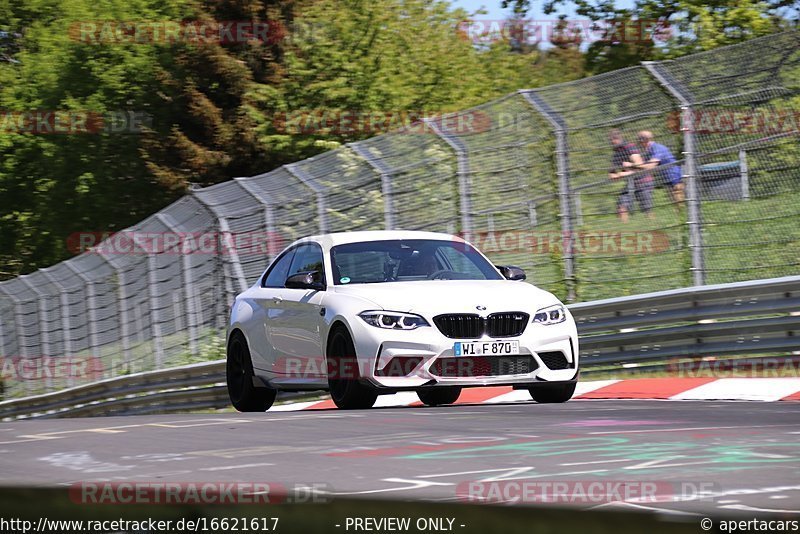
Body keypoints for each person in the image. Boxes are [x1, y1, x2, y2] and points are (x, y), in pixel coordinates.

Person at [608, 129, 651, 223]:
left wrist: (626, 171)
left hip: (643, 180)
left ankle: (653, 224)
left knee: (647, 209)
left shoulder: (629, 147)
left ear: (617, 139)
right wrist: (614, 175)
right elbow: (611, 173)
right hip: (630, 183)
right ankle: (624, 227)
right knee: (621, 207)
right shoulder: (616, 154)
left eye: (612, 140)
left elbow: (640, 164)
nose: (611, 143)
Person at [637, 130, 684, 207]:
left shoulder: (657, 148)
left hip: (674, 176)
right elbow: (645, 165)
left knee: (678, 200)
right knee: (674, 202)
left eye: (639, 140)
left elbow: (650, 166)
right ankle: (681, 215)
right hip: (667, 177)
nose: (639, 143)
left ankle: (683, 214)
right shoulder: (649, 150)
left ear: (644, 140)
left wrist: (635, 165)